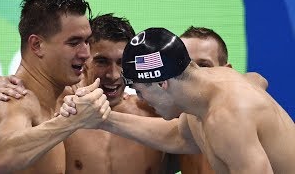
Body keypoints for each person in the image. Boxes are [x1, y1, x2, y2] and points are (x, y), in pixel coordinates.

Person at [61, 28, 295, 174]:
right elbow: (178, 136)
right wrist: (101, 119)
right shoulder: (206, 95)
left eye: (140, 91)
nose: (142, 100)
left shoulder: (226, 117)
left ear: (162, 83)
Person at [0, 0, 110, 173]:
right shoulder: (15, 100)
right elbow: (1, 158)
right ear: (37, 45)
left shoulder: (66, 97)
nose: (86, 53)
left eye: (87, 41)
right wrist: (71, 122)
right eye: (74, 42)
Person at [58, 13, 165, 174]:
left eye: (121, 63)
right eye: (102, 61)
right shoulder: (59, 111)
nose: (113, 75)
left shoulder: (156, 113)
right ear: (84, 59)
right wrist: (5, 83)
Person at [178, 26, 268, 174]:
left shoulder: (232, 115)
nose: (192, 75)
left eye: (203, 65)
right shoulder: (177, 115)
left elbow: (254, 80)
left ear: (226, 70)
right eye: (185, 66)